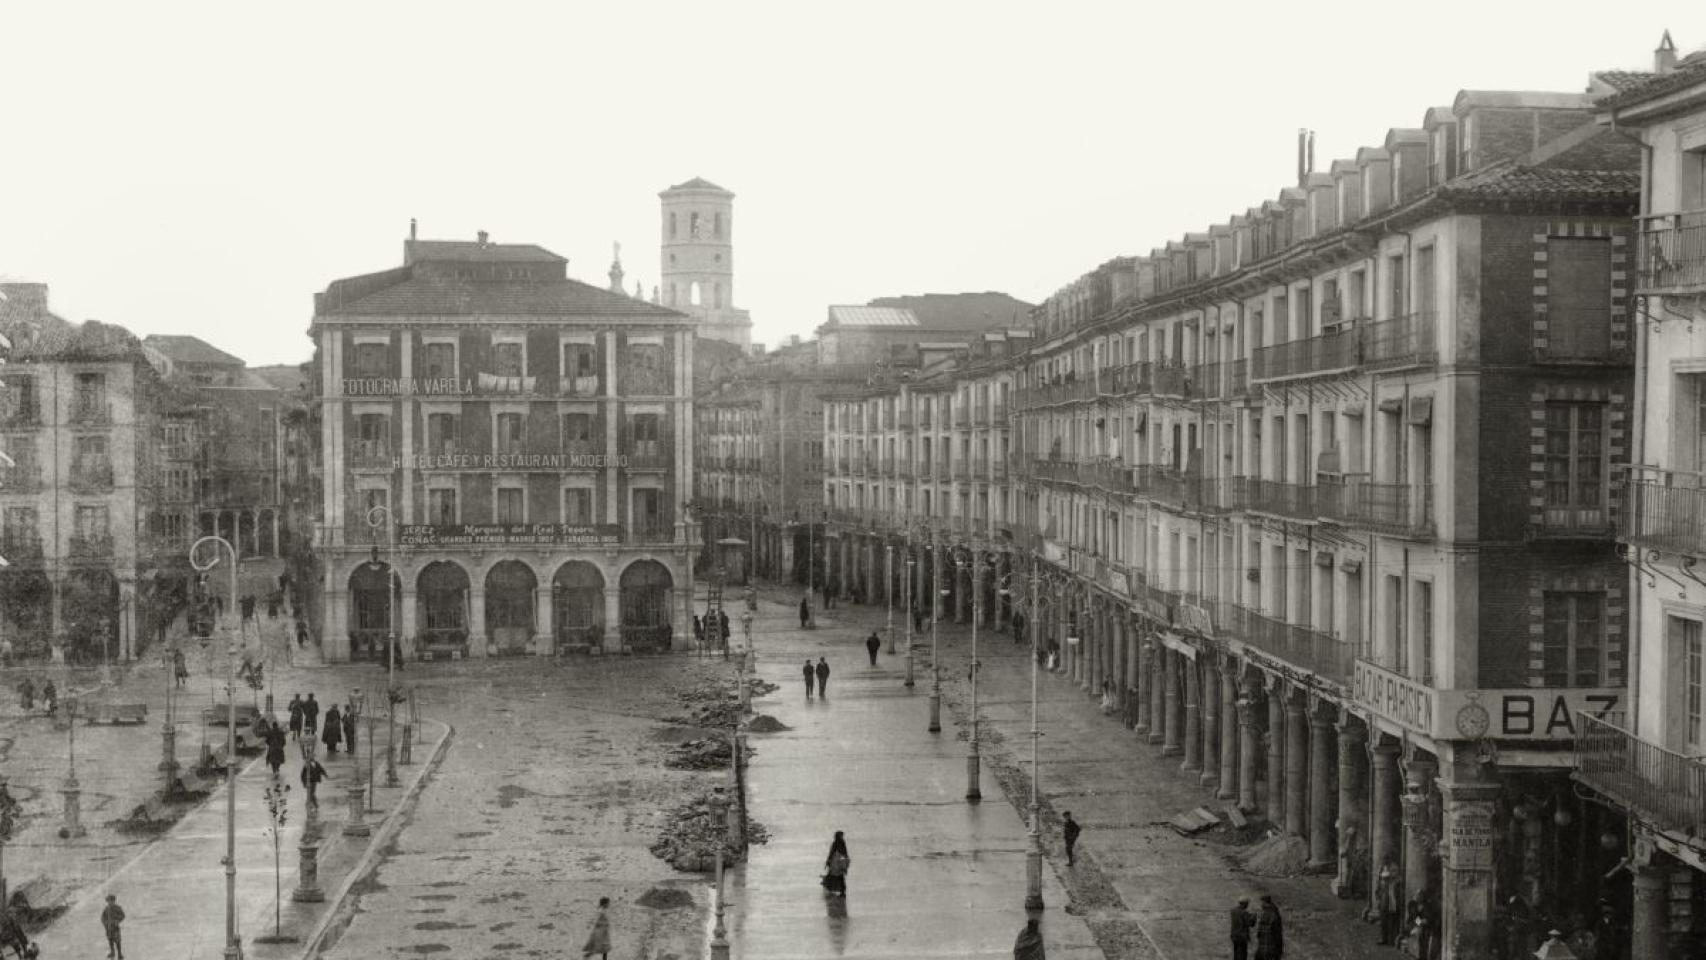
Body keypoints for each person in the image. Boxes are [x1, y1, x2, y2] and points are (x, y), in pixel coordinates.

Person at [1374, 856, 1402, 945]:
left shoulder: (1394, 870)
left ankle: (1392, 939)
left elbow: (1396, 878)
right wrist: (1378, 895)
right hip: (1384, 899)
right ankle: (1384, 938)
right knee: (1384, 920)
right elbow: (1379, 882)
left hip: (1392, 899)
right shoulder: (1383, 869)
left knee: (1392, 920)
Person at [1254, 894, 1283, 960]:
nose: (1261, 905)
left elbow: (1276, 932)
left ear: (1265, 902)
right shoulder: (1272, 913)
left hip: (1269, 944)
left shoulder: (1269, 914)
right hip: (1269, 945)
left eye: (1262, 902)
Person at [582, 896, 612, 960]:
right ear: (605, 904)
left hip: (604, 932)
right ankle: (587, 956)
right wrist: (590, 924)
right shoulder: (601, 911)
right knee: (597, 947)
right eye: (608, 903)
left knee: (605, 948)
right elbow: (595, 918)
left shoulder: (604, 911)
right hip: (599, 932)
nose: (609, 905)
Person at [821, 831, 850, 895]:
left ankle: (837, 888)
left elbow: (832, 853)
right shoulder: (841, 843)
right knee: (839, 876)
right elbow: (844, 853)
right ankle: (841, 889)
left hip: (837, 862)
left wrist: (828, 861)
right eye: (841, 835)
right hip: (838, 862)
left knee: (836, 876)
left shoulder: (838, 843)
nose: (842, 837)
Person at [100, 893, 125, 959]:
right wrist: (105, 923)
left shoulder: (117, 908)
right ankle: (112, 952)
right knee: (110, 940)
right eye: (109, 901)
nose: (110, 902)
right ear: (107, 901)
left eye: (112, 900)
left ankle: (119, 954)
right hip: (108, 928)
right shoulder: (106, 909)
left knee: (118, 941)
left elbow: (122, 915)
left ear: (114, 901)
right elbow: (102, 918)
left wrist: (117, 920)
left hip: (115, 927)